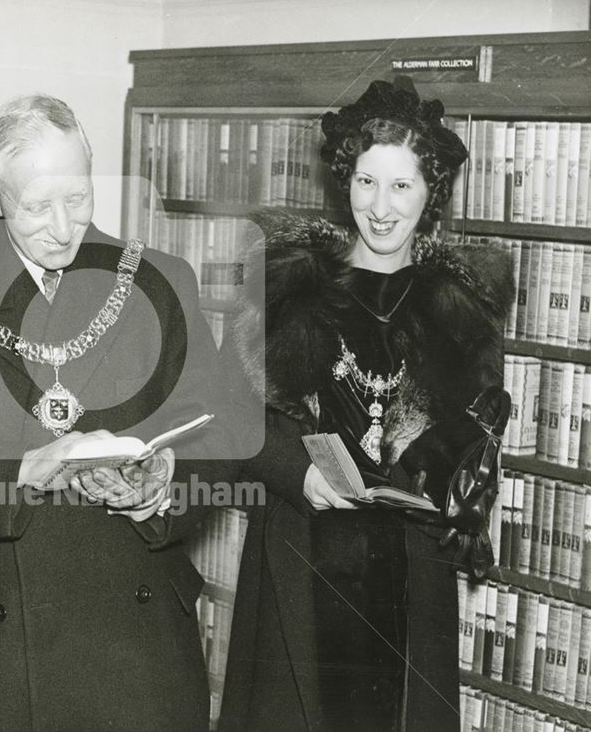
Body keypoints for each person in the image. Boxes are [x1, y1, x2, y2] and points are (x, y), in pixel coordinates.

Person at [0, 94, 230, 732]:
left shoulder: (162, 283)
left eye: (79, 198)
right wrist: (21, 475)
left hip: (141, 656)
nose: (64, 228)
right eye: (37, 206)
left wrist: (165, 484)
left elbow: (219, 432)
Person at [217, 79, 514, 731]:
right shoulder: (287, 288)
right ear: (344, 179)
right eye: (365, 182)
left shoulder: (460, 312)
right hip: (298, 558)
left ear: (430, 192)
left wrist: (460, 486)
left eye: (401, 186)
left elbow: (473, 453)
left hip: (409, 577)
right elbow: (230, 417)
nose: (380, 207)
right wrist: (298, 471)